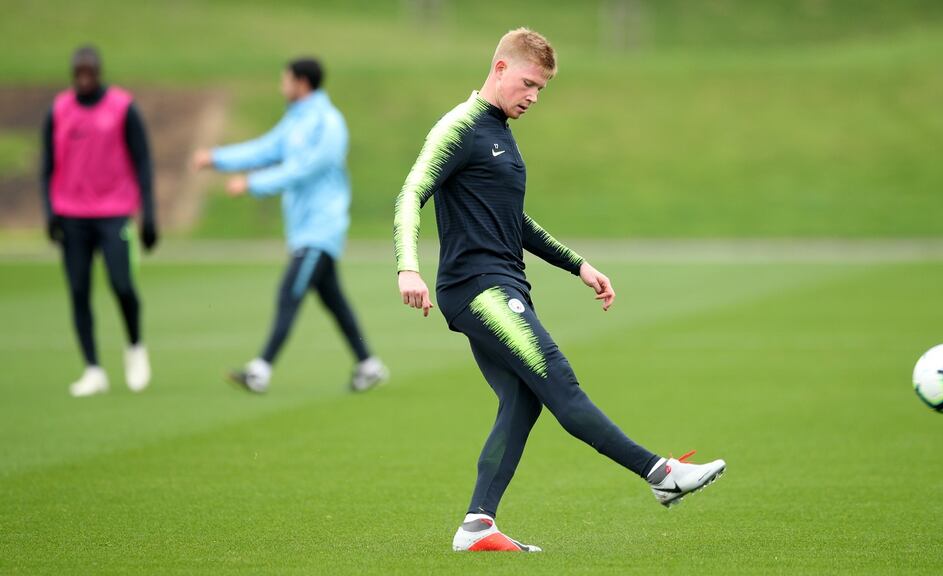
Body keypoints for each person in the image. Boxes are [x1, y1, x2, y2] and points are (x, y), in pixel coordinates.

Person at [393, 28, 726, 552]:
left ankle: (477, 524)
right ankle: (659, 473)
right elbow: (413, 191)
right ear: (500, 68)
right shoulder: (459, 128)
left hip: (494, 285)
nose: (533, 97)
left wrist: (579, 266)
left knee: (523, 400)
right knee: (558, 380)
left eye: (541, 89)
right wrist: (406, 267)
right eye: (527, 83)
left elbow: (513, 221)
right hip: (478, 288)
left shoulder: (500, 131)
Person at [193, 57, 386, 394]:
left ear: (301, 83)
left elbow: (305, 169)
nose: (281, 86)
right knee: (334, 300)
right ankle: (368, 365)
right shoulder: (294, 122)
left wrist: (252, 184)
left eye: (285, 80)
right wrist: (217, 158)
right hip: (303, 229)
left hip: (321, 228)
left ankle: (260, 370)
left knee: (289, 293)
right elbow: (264, 149)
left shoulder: (329, 123)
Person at [41, 45, 157, 397]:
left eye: (89, 70)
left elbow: (143, 160)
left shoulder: (121, 107)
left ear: (99, 71)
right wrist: (49, 211)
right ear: (73, 73)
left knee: (122, 284)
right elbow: (47, 164)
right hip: (72, 213)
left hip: (114, 211)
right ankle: (93, 368)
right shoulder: (59, 110)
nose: (84, 76)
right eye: (79, 71)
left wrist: (148, 213)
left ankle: (135, 346)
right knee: (78, 290)